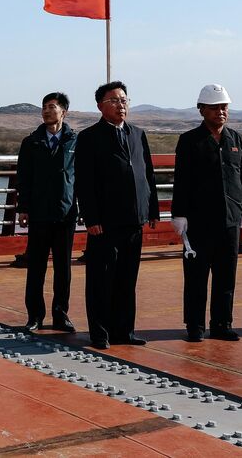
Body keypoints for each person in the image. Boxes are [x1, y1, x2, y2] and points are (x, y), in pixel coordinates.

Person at [171, 84, 242, 342]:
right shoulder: (189, 141)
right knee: (197, 277)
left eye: (224, 108)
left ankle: (222, 324)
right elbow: (182, 179)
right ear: (202, 110)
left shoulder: (236, 139)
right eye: (215, 108)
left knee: (226, 275)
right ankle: (195, 326)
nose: (221, 112)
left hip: (230, 221)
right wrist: (180, 214)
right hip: (198, 221)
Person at [75, 81, 159, 349]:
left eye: (124, 100)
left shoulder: (137, 134)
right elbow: (84, 182)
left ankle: (125, 330)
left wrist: (152, 209)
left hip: (134, 219)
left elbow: (148, 175)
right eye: (114, 101)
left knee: (127, 278)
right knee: (101, 278)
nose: (121, 105)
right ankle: (100, 332)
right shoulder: (89, 137)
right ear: (100, 106)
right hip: (105, 223)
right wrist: (92, 218)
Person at [16, 92, 77, 333]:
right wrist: (23, 208)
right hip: (39, 213)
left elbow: (80, 177)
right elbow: (24, 177)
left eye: (52, 107)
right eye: (44, 107)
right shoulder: (31, 142)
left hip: (66, 213)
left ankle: (61, 315)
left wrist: (81, 207)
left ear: (64, 111)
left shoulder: (75, 141)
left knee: (63, 268)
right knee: (36, 266)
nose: (47, 111)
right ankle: (34, 316)